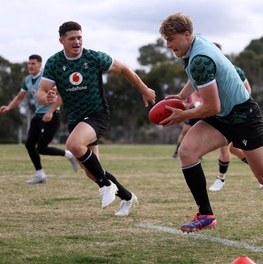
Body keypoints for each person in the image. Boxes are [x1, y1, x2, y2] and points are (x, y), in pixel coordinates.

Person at [159, 13, 263, 239]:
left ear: (186, 34)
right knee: (187, 152)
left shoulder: (200, 58)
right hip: (223, 116)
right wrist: (182, 96)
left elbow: (211, 106)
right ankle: (206, 215)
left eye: (171, 39)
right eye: (166, 40)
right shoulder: (193, 45)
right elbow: (198, 81)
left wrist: (183, 115)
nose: (168, 45)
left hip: (243, 117)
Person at [36, 21, 156, 216]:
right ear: (62, 41)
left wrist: (144, 89)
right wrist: (46, 97)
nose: (77, 42)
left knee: (74, 144)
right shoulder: (54, 62)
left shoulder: (93, 57)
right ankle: (126, 196)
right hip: (75, 119)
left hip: (97, 115)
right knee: (91, 170)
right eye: (72, 38)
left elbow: (124, 69)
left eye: (79, 37)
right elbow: (41, 92)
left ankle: (105, 185)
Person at [0, 54, 79, 184]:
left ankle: (69, 155)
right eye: (29, 64)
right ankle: (40, 174)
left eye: (33, 63)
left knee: (41, 148)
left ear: (40, 65)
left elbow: (60, 97)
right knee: (29, 144)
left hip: (52, 116)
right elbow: (20, 97)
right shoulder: (27, 80)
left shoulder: (46, 79)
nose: (30, 66)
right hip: (38, 116)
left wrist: (50, 112)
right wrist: (9, 107)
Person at [209, 43, 254, 192]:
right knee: (234, 149)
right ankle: (258, 169)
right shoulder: (208, 71)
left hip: (235, 116)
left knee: (225, 149)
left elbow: (247, 90)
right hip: (219, 114)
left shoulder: (235, 70)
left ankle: (221, 178)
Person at [172, 91, 202, 158]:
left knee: (199, 132)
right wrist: (190, 104)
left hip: (203, 111)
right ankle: (177, 150)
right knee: (185, 130)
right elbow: (184, 102)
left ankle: (198, 152)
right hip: (192, 111)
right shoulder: (190, 89)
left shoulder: (208, 87)